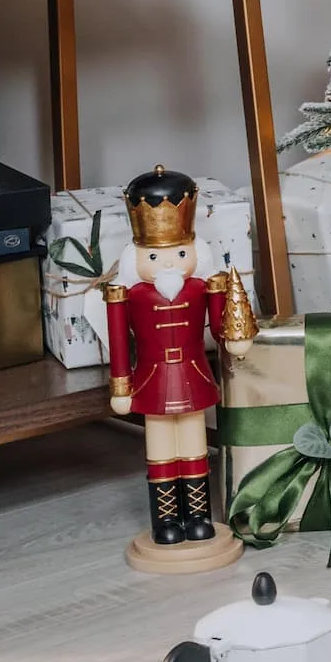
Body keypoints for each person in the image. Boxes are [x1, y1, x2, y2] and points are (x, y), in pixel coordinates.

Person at [105, 167, 254, 544]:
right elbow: (119, 339)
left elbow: (222, 325)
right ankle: (166, 520)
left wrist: (234, 338)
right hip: (153, 380)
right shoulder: (129, 295)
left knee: (193, 445)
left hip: (192, 374)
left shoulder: (202, 287)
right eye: (155, 255)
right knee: (159, 451)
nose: (169, 264)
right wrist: (121, 385)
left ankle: (198, 516)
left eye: (180, 253)